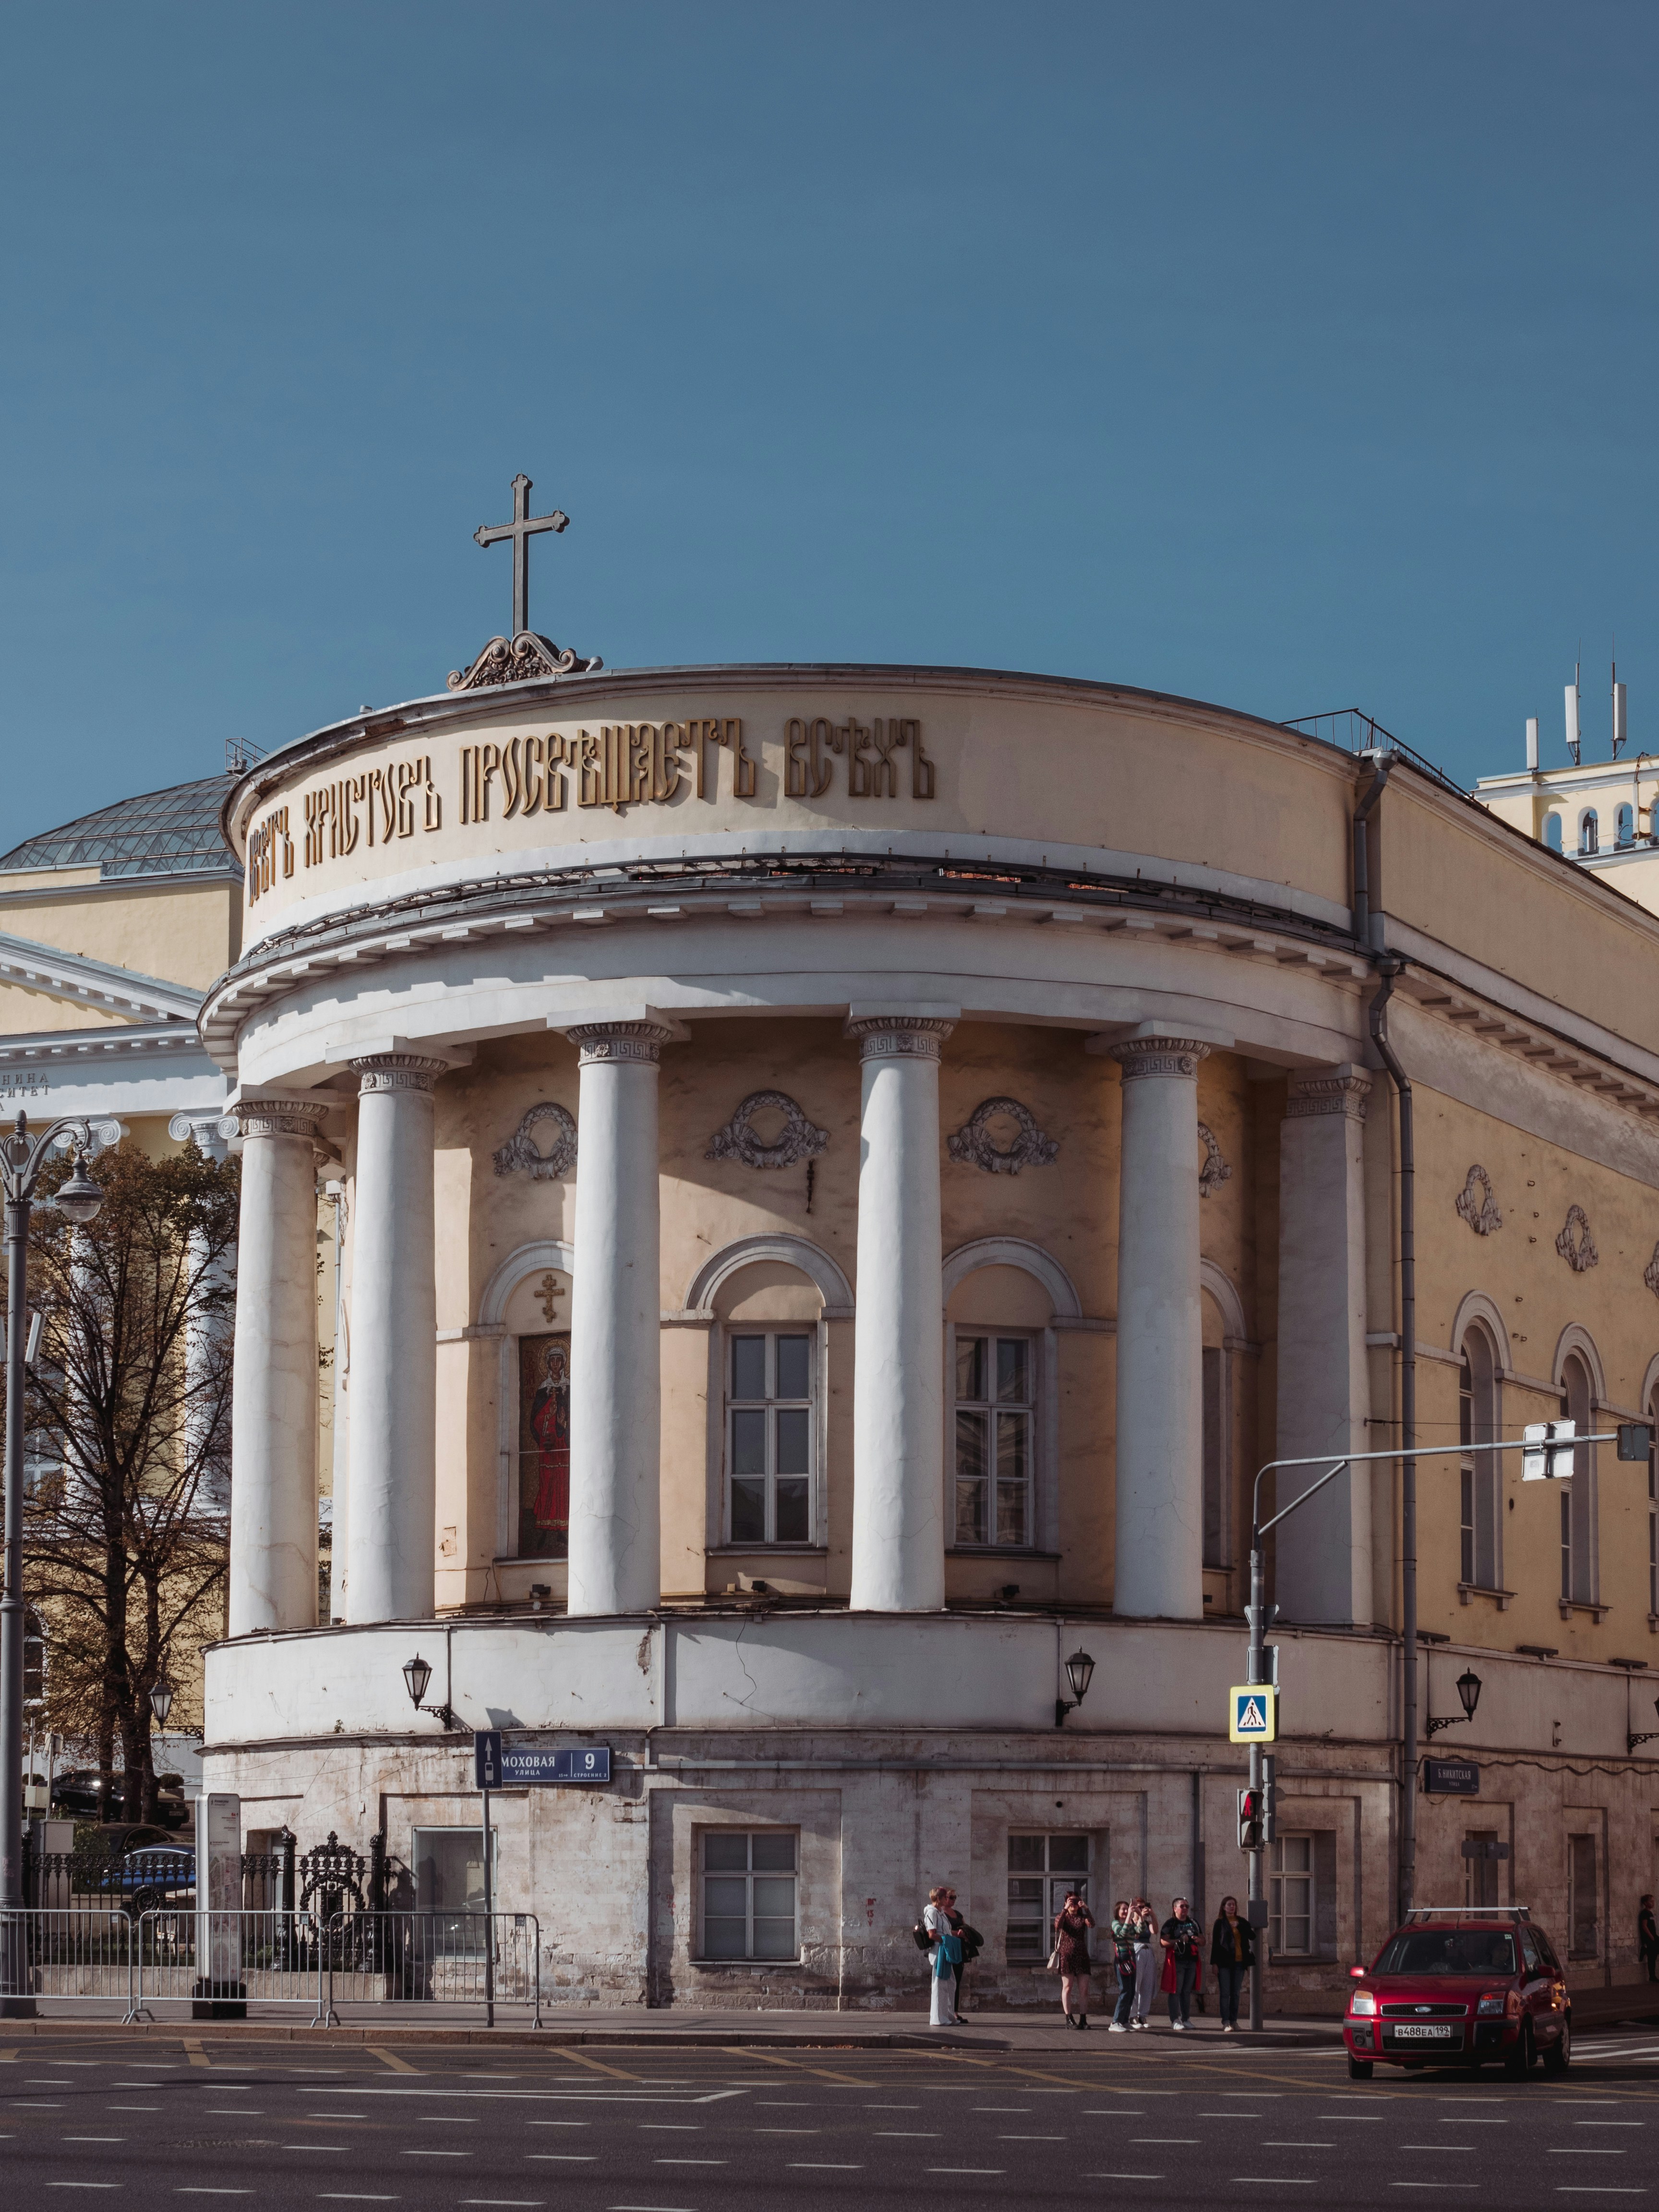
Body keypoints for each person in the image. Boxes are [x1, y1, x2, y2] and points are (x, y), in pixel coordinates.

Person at [1210, 1892, 1255, 2033]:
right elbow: (1216, 1944)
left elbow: (1252, 1936)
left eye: (1233, 1905)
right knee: (1225, 1993)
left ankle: (1234, 2021)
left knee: (1236, 1993)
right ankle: (1226, 2022)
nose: (1231, 1907)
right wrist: (1214, 1963)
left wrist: (1240, 1926)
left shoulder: (1241, 1921)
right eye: (1229, 1905)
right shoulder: (1220, 1923)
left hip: (1240, 1962)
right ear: (1223, 1907)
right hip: (1224, 1963)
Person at [1051, 1886, 1095, 2029]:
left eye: (1076, 1902)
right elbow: (1057, 1925)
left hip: (1082, 1956)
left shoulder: (1082, 1917)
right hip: (1067, 1956)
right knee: (1068, 1987)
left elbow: (1092, 1925)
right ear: (1066, 1902)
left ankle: (1083, 2019)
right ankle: (1069, 2019)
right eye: (1071, 1902)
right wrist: (1065, 1909)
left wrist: (1086, 1909)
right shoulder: (1064, 1916)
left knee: (1084, 1990)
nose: (1074, 1905)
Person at [1160, 1896, 1203, 2031]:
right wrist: (1178, 1941)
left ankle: (1186, 2019)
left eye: (1187, 1906)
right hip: (1177, 1961)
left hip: (1192, 1961)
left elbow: (1203, 1940)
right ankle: (1175, 2019)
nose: (1185, 1909)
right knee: (1176, 1991)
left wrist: (1197, 1939)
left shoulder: (1194, 1923)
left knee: (1186, 1991)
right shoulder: (1171, 1924)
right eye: (1182, 1906)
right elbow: (1163, 1942)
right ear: (1175, 1909)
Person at [922, 1884, 962, 2026]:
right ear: (939, 1899)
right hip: (940, 1951)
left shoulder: (941, 1913)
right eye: (946, 1897)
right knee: (939, 1984)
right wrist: (946, 1941)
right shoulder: (932, 1913)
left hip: (946, 1950)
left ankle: (949, 2016)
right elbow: (932, 1934)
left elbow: (944, 1931)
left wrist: (955, 1934)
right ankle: (938, 2018)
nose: (948, 1899)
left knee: (951, 1983)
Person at [945, 1893, 984, 2018]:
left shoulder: (958, 1914)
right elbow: (940, 1930)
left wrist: (965, 1935)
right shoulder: (940, 1914)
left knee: (956, 1981)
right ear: (943, 1898)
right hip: (948, 1948)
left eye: (955, 1897)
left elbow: (965, 1927)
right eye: (951, 1897)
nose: (953, 1900)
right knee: (946, 1981)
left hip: (960, 1949)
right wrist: (957, 1934)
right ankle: (945, 2011)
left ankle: (955, 2012)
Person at [1129, 1894, 1160, 2027]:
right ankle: (1132, 2016)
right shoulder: (1131, 1922)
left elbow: (1155, 1931)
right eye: (1140, 1907)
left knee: (1147, 1985)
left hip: (1148, 1950)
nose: (1143, 1909)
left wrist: (1152, 1915)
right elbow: (1134, 1935)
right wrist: (1140, 1916)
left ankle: (1143, 2016)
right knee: (1135, 1984)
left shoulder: (1147, 1923)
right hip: (1137, 1950)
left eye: (1145, 1907)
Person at [1108, 1899, 1139, 2032]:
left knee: (1132, 1991)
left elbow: (1140, 1931)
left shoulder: (1130, 1923)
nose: (1126, 1911)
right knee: (1125, 1990)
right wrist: (1128, 1920)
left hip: (1131, 1956)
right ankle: (1116, 2022)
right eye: (1123, 1909)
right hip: (1122, 1957)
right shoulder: (1115, 1923)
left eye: (1128, 1909)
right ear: (1117, 1911)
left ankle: (1125, 2021)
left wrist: (1140, 1914)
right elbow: (1122, 1933)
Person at [1640, 1895, 1659, 1983]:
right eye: (1651, 1901)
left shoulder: (1650, 1913)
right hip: (1650, 1938)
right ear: (1645, 1903)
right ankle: (1652, 1976)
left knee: (1653, 1956)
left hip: (1654, 1937)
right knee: (1652, 1957)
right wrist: (1651, 1936)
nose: (1653, 1903)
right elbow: (1644, 1926)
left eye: (1653, 1901)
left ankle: (1645, 1950)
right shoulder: (1645, 1913)